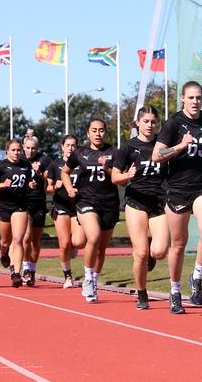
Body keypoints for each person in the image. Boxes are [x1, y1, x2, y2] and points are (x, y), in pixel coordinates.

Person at [152, 81, 202, 314]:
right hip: (177, 189)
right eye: (191, 98)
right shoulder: (173, 123)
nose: (195, 102)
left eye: (199, 98)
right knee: (179, 245)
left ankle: (197, 278)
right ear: (182, 99)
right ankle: (174, 291)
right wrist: (180, 146)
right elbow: (157, 155)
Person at [112, 106, 169, 310]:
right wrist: (127, 175)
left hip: (159, 201)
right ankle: (142, 293)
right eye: (146, 121)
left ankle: (151, 256)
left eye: (153, 122)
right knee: (141, 253)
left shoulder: (162, 145)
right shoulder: (128, 148)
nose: (150, 125)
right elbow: (114, 176)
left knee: (160, 251)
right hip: (136, 201)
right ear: (137, 123)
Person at [61, 118, 119, 302]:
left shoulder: (114, 152)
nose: (98, 133)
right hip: (86, 201)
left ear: (105, 132)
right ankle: (87, 277)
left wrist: (108, 167)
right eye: (94, 130)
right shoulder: (80, 153)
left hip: (109, 203)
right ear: (88, 133)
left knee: (101, 249)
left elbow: (121, 178)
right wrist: (69, 188)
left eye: (101, 130)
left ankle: (94, 280)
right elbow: (65, 172)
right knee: (92, 236)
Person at [0, 140, 35, 287]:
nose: (16, 153)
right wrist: (2, 185)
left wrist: (30, 184)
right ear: (7, 151)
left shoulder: (26, 165)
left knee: (18, 240)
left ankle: (16, 274)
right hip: (4, 206)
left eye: (19, 150)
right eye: (13, 150)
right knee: (6, 241)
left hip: (20, 206)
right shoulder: (0, 166)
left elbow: (26, 182)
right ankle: (4, 253)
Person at [46, 135, 85, 288]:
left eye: (73, 145)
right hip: (61, 206)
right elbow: (47, 188)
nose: (70, 148)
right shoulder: (55, 164)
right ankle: (67, 276)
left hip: (78, 206)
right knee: (64, 244)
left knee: (79, 241)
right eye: (67, 145)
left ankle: (73, 248)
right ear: (62, 147)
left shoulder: (82, 163)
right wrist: (55, 186)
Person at [21, 136, 51, 286]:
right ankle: (25, 268)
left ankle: (32, 269)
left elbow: (48, 180)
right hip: (23, 203)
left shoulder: (44, 160)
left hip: (39, 202)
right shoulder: (19, 161)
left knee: (35, 241)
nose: (30, 151)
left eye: (33, 148)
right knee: (26, 238)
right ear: (23, 147)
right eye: (28, 147)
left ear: (37, 148)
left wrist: (38, 172)